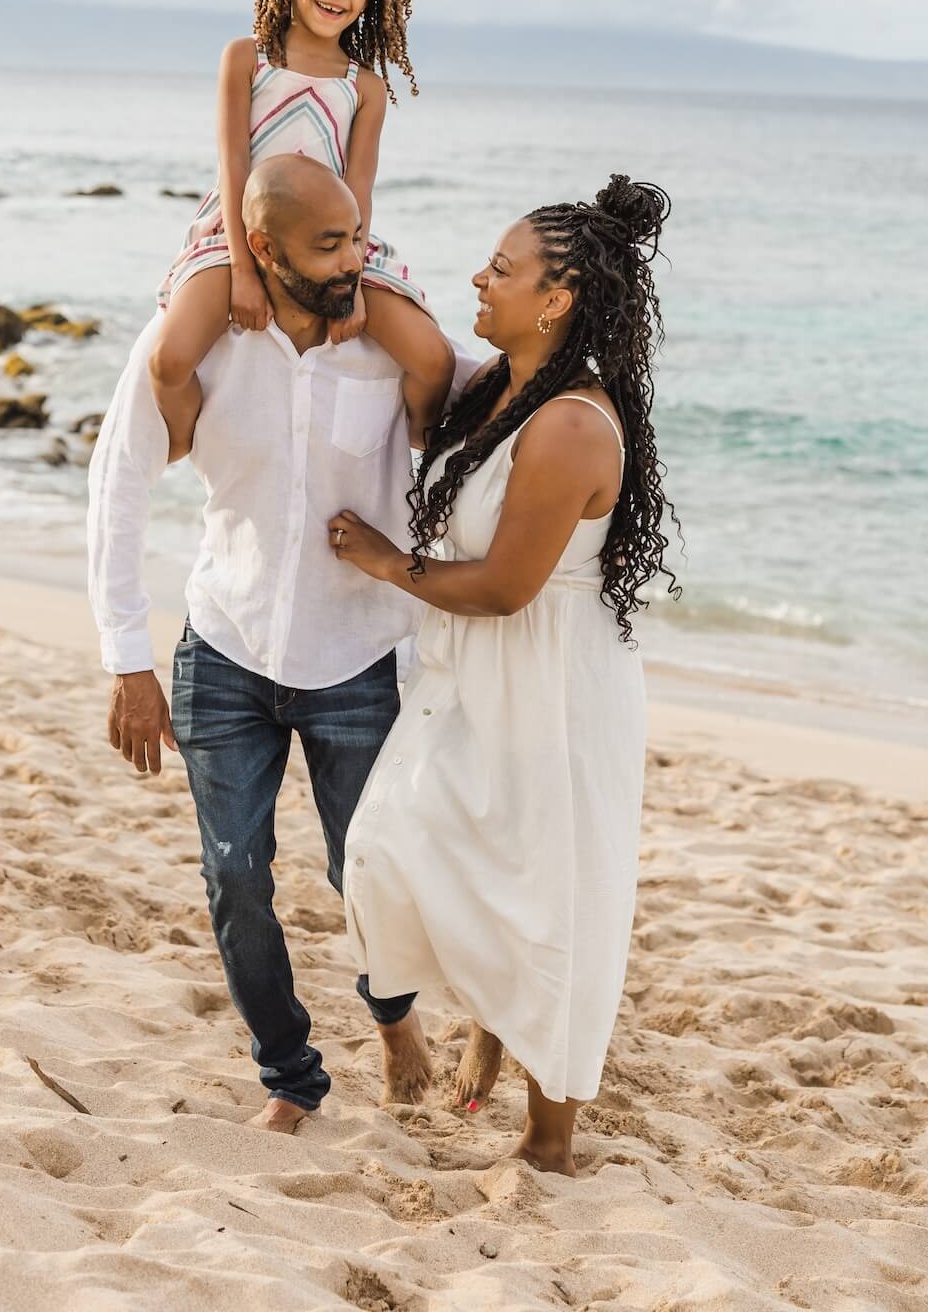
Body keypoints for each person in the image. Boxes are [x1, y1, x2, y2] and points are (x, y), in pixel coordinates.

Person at [88, 153, 461, 1132]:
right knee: (235, 879)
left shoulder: (387, 339)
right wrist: (127, 660)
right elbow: (119, 478)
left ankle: (394, 1019)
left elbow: (493, 416)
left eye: (357, 238)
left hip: (360, 657)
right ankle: (290, 1079)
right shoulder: (196, 343)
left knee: (365, 874)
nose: (353, 261)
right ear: (263, 246)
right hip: (227, 646)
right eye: (330, 245)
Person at [324, 174, 680, 1177]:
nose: (480, 279)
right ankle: (489, 1015)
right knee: (389, 850)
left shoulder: (569, 425)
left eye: (502, 269)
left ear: (556, 298)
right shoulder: (497, 387)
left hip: (551, 682)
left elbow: (507, 587)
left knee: (550, 892)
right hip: (467, 672)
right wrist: (329, 251)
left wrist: (387, 562)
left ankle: (548, 1143)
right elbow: (403, 324)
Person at [147, 0, 449, 459]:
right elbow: (233, 165)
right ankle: (185, 442)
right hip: (240, 233)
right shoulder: (246, 58)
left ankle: (419, 455)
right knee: (169, 360)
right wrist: (243, 270)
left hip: (336, 244)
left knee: (433, 358)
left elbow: (358, 191)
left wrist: (351, 283)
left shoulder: (365, 88)